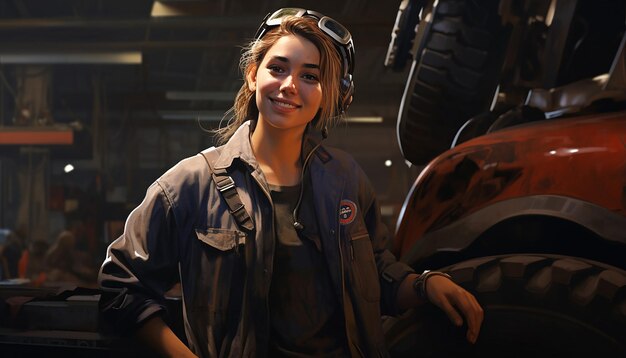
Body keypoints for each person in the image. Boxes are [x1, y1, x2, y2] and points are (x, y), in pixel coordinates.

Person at [98, 8, 483, 357]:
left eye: (310, 76)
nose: (289, 85)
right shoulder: (191, 184)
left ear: (332, 95)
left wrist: (424, 285)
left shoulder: (346, 181)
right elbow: (122, 287)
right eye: (277, 68)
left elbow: (376, 274)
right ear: (253, 75)